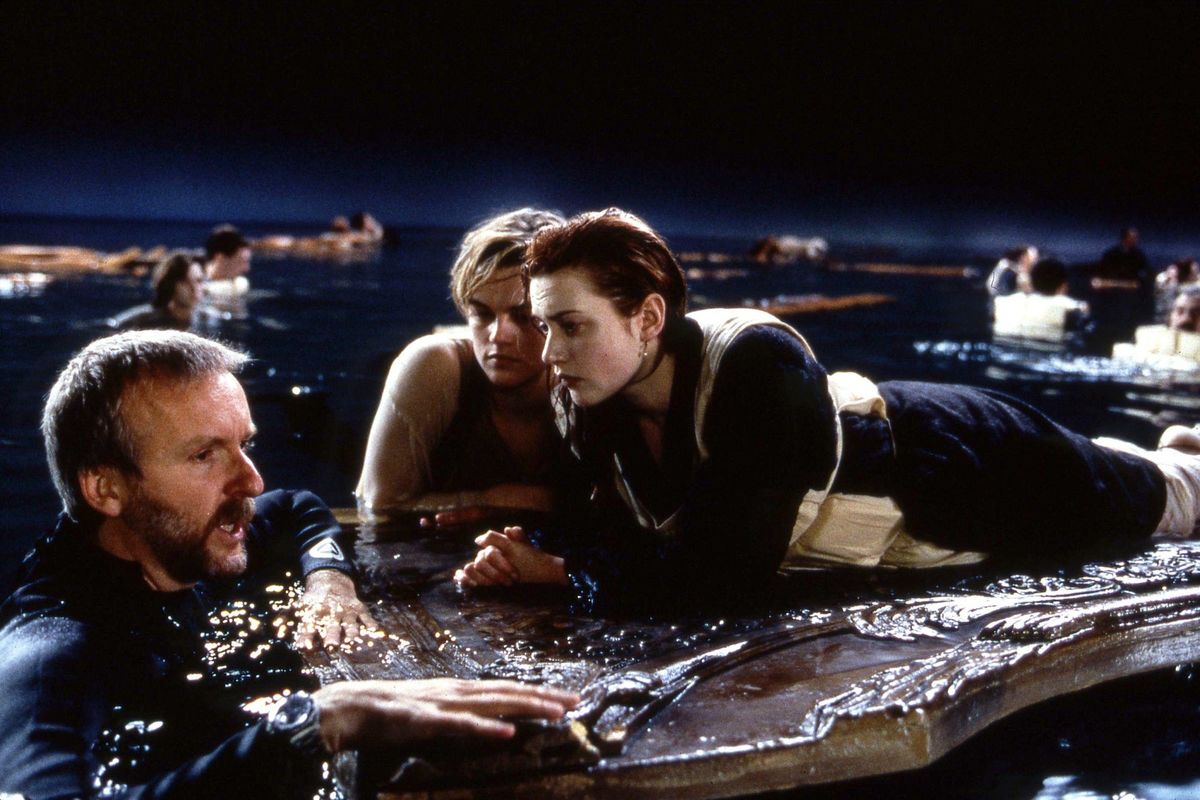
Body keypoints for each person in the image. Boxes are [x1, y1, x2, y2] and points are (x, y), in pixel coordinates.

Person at [453, 209, 1200, 614]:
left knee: (1160, 501)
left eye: (570, 326)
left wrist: (557, 570)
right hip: (898, 522)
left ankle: (1178, 458)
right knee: (1132, 471)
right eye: (545, 325)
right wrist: (524, 546)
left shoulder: (754, 362)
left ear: (648, 317)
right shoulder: (585, 398)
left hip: (968, 461)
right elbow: (626, 532)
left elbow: (724, 579)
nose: (548, 352)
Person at [0, 330, 577, 798]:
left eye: (244, 444)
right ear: (106, 489)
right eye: (204, 455)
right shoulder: (52, 652)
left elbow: (299, 506)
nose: (252, 481)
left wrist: (329, 581)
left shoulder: (180, 542)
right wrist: (309, 724)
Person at [357, 208, 566, 528]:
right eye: (482, 314)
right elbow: (377, 506)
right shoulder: (433, 367)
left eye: (524, 317)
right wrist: (501, 500)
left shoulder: (588, 381)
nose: (498, 336)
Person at [108, 252, 205, 331]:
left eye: (199, 281)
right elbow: (111, 327)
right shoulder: (140, 320)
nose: (194, 288)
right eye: (185, 282)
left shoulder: (208, 320)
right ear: (170, 285)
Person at [204, 224, 252, 297]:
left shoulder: (241, 284)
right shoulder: (199, 289)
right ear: (221, 258)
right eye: (240, 262)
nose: (247, 269)